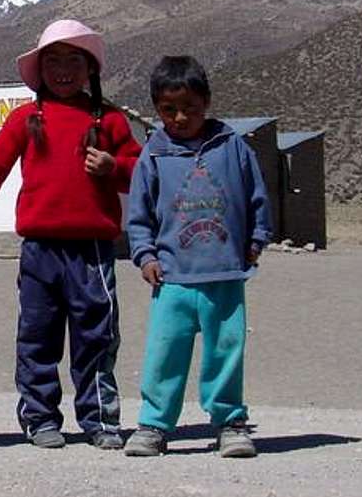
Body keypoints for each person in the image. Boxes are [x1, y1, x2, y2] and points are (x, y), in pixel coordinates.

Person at [0, 19, 141, 450]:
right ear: (39, 71)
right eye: (53, 61)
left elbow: (142, 172)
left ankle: (99, 419)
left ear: (90, 69)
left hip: (93, 250)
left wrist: (114, 167)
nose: (63, 70)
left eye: (73, 60)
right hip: (40, 249)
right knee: (37, 333)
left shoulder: (110, 119)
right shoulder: (26, 118)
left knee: (96, 334)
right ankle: (39, 417)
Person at [123, 56, 272, 458]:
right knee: (164, 352)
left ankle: (229, 423)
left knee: (226, 351)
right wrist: (145, 254)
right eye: (168, 110)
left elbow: (259, 199)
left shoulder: (233, 147)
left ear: (206, 101)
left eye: (190, 107)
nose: (180, 117)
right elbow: (138, 213)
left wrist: (257, 239)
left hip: (225, 273)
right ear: (156, 108)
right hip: (172, 278)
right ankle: (154, 425)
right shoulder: (153, 154)